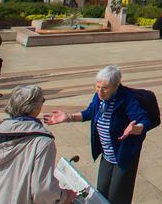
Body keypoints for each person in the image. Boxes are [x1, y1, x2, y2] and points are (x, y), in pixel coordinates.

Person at [44, 65, 150, 203]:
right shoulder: (99, 97)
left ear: (116, 86)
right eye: (97, 86)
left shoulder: (127, 98)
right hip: (107, 155)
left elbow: (144, 120)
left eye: (105, 88)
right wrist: (68, 117)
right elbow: (90, 112)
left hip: (123, 156)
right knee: (102, 192)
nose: (100, 91)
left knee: (118, 197)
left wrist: (135, 129)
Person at [0, 84, 77, 204]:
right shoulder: (43, 142)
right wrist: (65, 196)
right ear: (34, 107)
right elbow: (42, 191)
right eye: (42, 100)